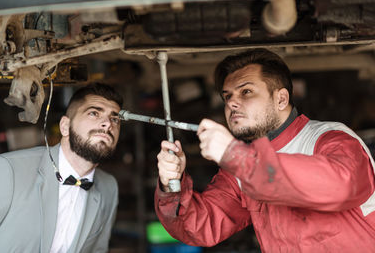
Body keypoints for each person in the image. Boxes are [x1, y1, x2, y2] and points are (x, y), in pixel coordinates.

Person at [155, 49, 375, 252]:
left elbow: (341, 186)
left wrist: (236, 156)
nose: (232, 103)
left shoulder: (329, 138)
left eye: (246, 91)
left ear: (281, 99)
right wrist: (171, 185)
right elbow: (199, 226)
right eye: (227, 96)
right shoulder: (241, 167)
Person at [0, 83, 123, 253]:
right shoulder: (5, 171)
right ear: (65, 126)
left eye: (115, 118)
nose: (107, 124)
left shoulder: (108, 187)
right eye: (94, 113)